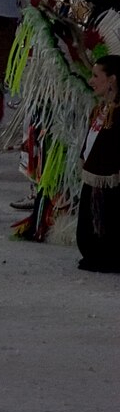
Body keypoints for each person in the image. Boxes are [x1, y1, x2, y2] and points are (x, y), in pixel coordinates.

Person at [77, 56, 120, 272]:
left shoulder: (118, 113)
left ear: (112, 79)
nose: (91, 81)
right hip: (93, 179)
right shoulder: (102, 109)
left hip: (110, 184)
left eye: (96, 76)